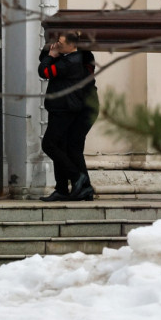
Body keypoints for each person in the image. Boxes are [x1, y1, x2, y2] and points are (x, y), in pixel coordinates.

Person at [37, 31, 98, 201]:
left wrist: (51, 54)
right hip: (70, 106)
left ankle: (80, 181)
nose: (57, 44)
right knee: (64, 146)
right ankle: (69, 188)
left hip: (74, 108)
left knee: (64, 146)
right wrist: (50, 50)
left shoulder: (74, 61)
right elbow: (44, 61)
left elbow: (44, 71)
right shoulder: (68, 57)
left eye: (60, 42)